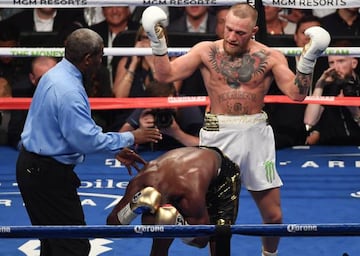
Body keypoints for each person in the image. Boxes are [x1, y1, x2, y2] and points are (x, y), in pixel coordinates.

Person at [141, 3, 331, 255]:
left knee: (273, 216)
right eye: (228, 29)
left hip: (255, 134)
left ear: (253, 30)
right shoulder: (205, 51)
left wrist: (307, 61)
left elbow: (297, 93)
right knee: (215, 219)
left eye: (240, 33)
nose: (231, 37)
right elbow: (166, 76)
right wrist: (157, 40)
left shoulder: (270, 56)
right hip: (217, 136)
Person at [16, 28, 162, 256]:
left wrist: (115, 148)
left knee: (54, 244)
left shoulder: (57, 75)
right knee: (72, 245)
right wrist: (133, 136)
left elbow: (70, 130)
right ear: (87, 59)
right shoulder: (68, 90)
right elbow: (85, 139)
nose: (101, 60)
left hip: (36, 167)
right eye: (100, 55)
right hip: (46, 174)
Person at [107, 146, 241, 256]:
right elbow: (112, 225)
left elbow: (202, 240)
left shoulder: (189, 193)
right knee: (165, 220)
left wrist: (178, 224)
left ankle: (175, 222)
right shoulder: (142, 180)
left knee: (220, 235)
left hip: (221, 175)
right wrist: (132, 208)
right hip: (186, 161)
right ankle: (169, 226)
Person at [264, 15, 328, 149]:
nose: (308, 37)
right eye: (304, 32)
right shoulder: (282, 62)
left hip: (324, 132)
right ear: (295, 36)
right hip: (284, 131)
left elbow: (333, 102)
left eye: (314, 33)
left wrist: (318, 130)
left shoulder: (328, 63)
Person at [120, 81, 203, 150]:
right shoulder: (147, 110)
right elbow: (120, 139)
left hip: (184, 154)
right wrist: (140, 132)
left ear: (176, 98)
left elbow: (205, 145)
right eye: (158, 110)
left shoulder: (188, 107)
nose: (163, 113)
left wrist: (177, 133)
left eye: (167, 108)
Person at [304, 47, 360, 145]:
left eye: (341, 61)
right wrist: (319, 86)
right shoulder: (327, 86)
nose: (336, 67)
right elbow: (309, 121)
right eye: (332, 63)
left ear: (354, 63)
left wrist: (354, 110)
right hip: (330, 146)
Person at [7, 56, 58, 149]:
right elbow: (14, 133)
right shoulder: (22, 93)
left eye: (52, 78)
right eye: (42, 79)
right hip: (32, 146)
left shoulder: (70, 92)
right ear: (32, 78)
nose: (48, 84)